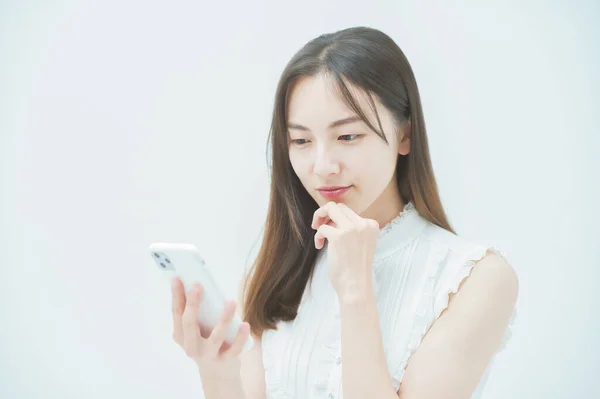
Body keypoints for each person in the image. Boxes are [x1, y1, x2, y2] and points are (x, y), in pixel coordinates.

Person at [170, 26, 519, 399]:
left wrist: (356, 291)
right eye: (301, 141)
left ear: (405, 135)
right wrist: (217, 371)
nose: (322, 166)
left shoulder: (474, 278)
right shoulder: (277, 271)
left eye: (348, 136)